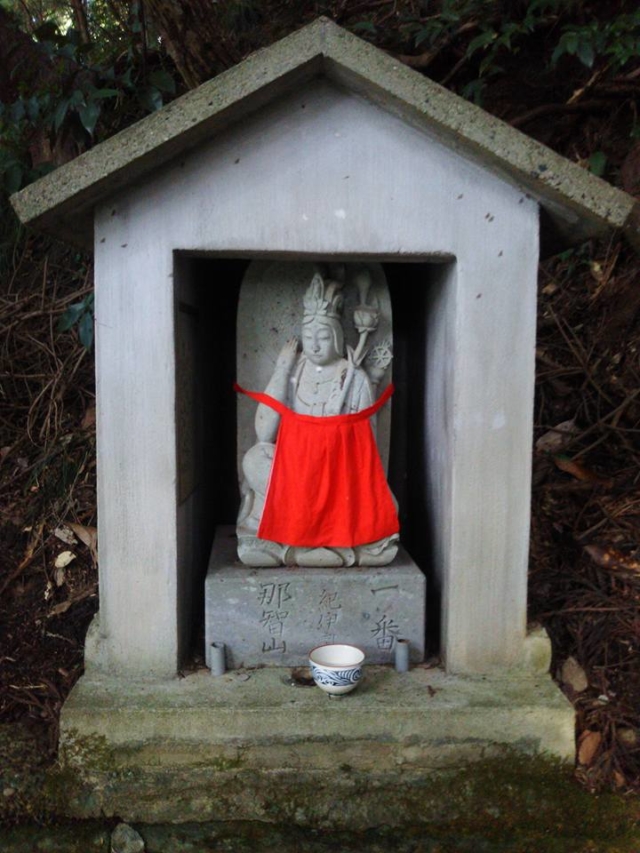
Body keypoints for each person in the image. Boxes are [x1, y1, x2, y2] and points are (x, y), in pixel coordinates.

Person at [236, 271, 398, 567]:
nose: (315, 345)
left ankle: (302, 542)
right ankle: (311, 540)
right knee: (255, 458)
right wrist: (282, 370)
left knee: (376, 500)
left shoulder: (355, 378)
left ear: (336, 336)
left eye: (323, 337)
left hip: (337, 472)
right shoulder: (294, 373)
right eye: (308, 337)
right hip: (294, 468)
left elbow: (368, 445)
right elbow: (264, 433)